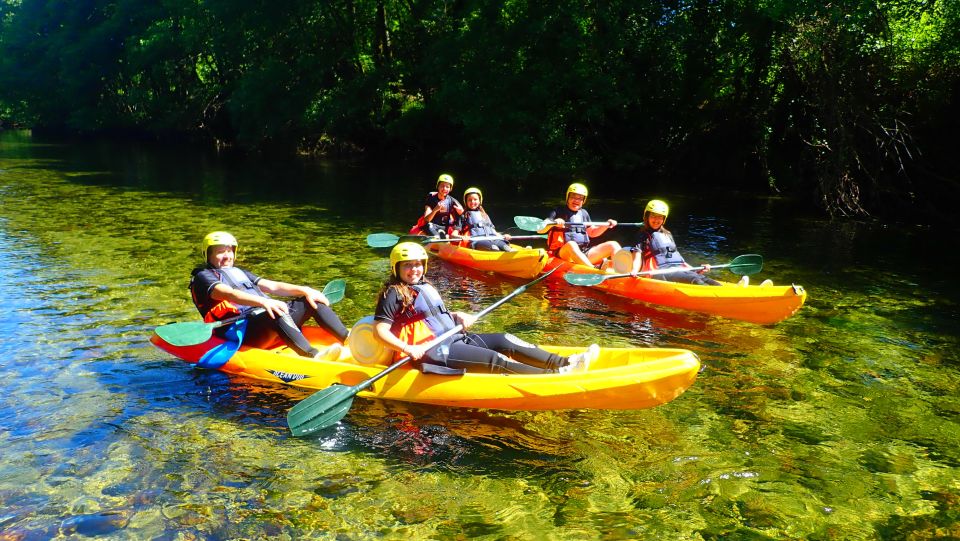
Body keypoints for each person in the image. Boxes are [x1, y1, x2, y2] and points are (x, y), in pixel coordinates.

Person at [373, 242, 598, 374]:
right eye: (408, 265)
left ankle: (565, 362)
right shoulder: (393, 292)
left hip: (453, 337)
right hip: (433, 352)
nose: (414, 270)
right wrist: (407, 348)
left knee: (504, 339)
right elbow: (379, 331)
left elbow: (429, 316)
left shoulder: (424, 285)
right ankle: (553, 376)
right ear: (397, 267)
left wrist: (456, 315)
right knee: (495, 359)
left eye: (418, 264)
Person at [190, 231, 348, 359]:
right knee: (275, 311)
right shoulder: (203, 276)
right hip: (242, 331)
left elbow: (273, 286)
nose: (227, 256)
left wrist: (305, 290)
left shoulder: (239, 272)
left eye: (229, 250)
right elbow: (228, 293)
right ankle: (314, 356)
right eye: (220, 252)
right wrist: (265, 303)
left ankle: (349, 340)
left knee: (311, 301)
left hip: (267, 321)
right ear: (208, 255)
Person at [628, 200, 723, 286]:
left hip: (678, 268)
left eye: (660, 217)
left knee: (709, 281)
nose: (656, 220)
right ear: (646, 216)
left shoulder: (667, 234)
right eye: (653, 216)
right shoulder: (641, 235)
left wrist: (696, 269)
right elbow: (637, 256)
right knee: (697, 281)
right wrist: (634, 271)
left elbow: (676, 257)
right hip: (659, 272)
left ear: (664, 219)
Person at [541, 181, 621, 268]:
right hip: (562, 253)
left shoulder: (584, 213)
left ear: (583, 201)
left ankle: (622, 273)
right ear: (567, 197)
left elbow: (592, 233)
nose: (576, 200)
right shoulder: (557, 211)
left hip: (583, 252)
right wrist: (553, 223)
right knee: (572, 244)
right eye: (573, 197)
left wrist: (606, 225)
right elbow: (540, 230)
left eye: (580, 198)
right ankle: (593, 270)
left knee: (613, 244)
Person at [452, 186, 514, 252]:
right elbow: (453, 235)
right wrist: (461, 237)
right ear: (466, 202)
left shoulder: (485, 215)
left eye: (475, 199)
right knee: (494, 248)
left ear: (479, 201)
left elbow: (494, 231)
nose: (472, 202)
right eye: (469, 200)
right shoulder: (463, 216)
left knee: (507, 248)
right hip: (477, 241)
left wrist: (503, 236)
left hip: (493, 239)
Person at [413, 173, 464, 237]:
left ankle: (453, 234)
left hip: (445, 227)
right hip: (432, 225)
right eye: (442, 186)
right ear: (438, 186)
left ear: (450, 189)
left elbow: (463, 214)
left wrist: (461, 212)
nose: (444, 189)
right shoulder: (431, 198)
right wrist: (435, 209)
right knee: (428, 225)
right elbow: (427, 220)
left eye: (447, 187)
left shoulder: (452, 200)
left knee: (461, 215)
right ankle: (437, 237)